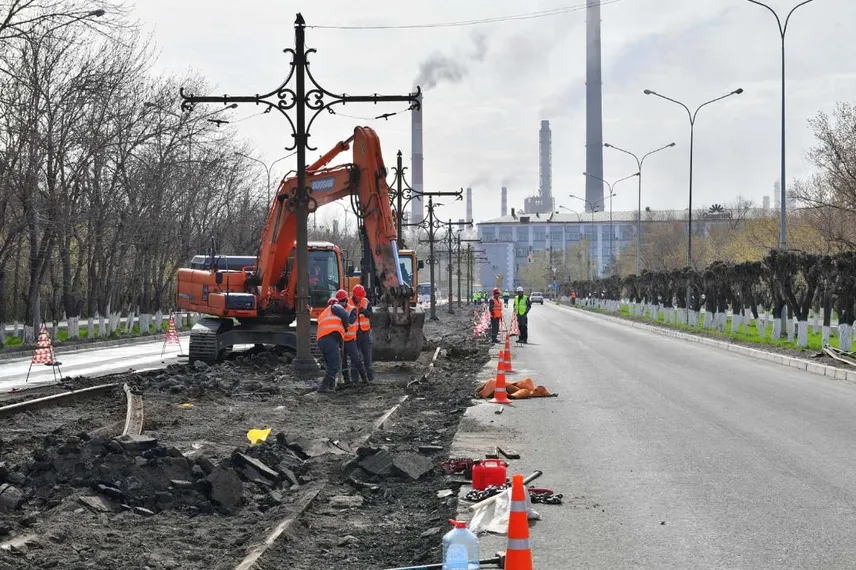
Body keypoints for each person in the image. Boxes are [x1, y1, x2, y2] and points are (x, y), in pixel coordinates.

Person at [315, 295, 350, 393]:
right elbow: (344, 314)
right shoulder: (335, 306)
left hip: (322, 341)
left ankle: (331, 388)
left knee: (330, 364)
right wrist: (346, 326)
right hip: (329, 339)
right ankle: (323, 387)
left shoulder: (323, 314)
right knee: (334, 364)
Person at [341, 288, 369, 387]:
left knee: (357, 359)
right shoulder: (339, 308)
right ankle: (347, 380)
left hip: (352, 338)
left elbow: (351, 321)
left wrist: (364, 311)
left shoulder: (352, 308)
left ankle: (365, 379)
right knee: (343, 361)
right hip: (342, 339)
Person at [351, 284, 374, 382]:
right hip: (354, 334)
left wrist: (364, 311)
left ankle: (370, 378)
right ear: (354, 295)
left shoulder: (366, 301)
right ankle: (355, 379)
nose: (360, 299)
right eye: (358, 297)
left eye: (361, 297)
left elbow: (370, 314)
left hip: (365, 333)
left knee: (367, 356)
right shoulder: (348, 302)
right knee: (355, 357)